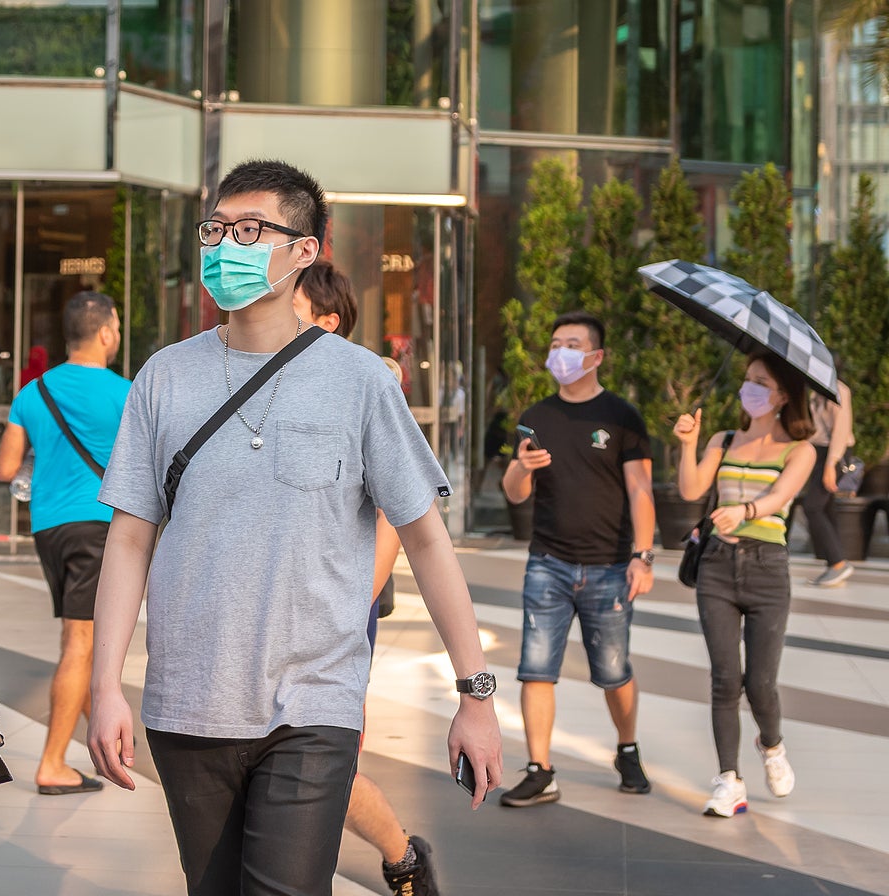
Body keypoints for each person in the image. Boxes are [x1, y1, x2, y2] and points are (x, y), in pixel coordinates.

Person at [88, 159, 501, 896]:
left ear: (304, 250)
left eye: (250, 231)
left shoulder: (361, 380)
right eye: (215, 229)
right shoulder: (163, 377)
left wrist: (476, 695)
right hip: (188, 704)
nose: (225, 246)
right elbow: (128, 538)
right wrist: (104, 684)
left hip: (313, 706)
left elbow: (426, 538)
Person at [295, 260, 440, 894]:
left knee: (323, 759)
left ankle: (402, 854)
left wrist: (353, 605)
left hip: (340, 601)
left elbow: (394, 515)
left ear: (327, 321)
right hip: (278, 599)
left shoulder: (368, 382)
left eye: (290, 307)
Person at [498, 310, 656, 808]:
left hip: (610, 567)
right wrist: (522, 468)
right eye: (555, 343)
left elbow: (641, 490)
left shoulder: (622, 416)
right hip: (548, 562)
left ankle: (627, 748)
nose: (559, 353)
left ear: (596, 356)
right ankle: (540, 769)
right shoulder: (538, 416)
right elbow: (513, 492)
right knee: (535, 668)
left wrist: (643, 556)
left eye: (571, 344)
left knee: (612, 671)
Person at [0, 291, 131, 795]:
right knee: (79, 644)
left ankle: (110, 747)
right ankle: (53, 763)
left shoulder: (33, 393)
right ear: (106, 333)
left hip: (48, 528)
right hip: (97, 528)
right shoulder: (125, 393)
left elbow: (6, 468)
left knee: (84, 641)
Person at [673, 351, 815, 818]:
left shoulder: (801, 449)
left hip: (767, 569)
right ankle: (729, 780)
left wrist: (746, 511)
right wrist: (688, 444)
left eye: (762, 382)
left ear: (783, 397)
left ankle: (771, 745)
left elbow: (780, 497)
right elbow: (692, 490)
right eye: (747, 379)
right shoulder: (724, 438)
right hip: (716, 564)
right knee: (724, 679)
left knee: (760, 683)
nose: (749, 388)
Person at [801, 372, 855, 586]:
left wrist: (831, 464)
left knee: (812, 507)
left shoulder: (839, 391)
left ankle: (839, 563)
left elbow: (841, 431)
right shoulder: (815, 390)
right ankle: (835, 564)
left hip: (834, 453)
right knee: (826, 508)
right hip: (818, 451)